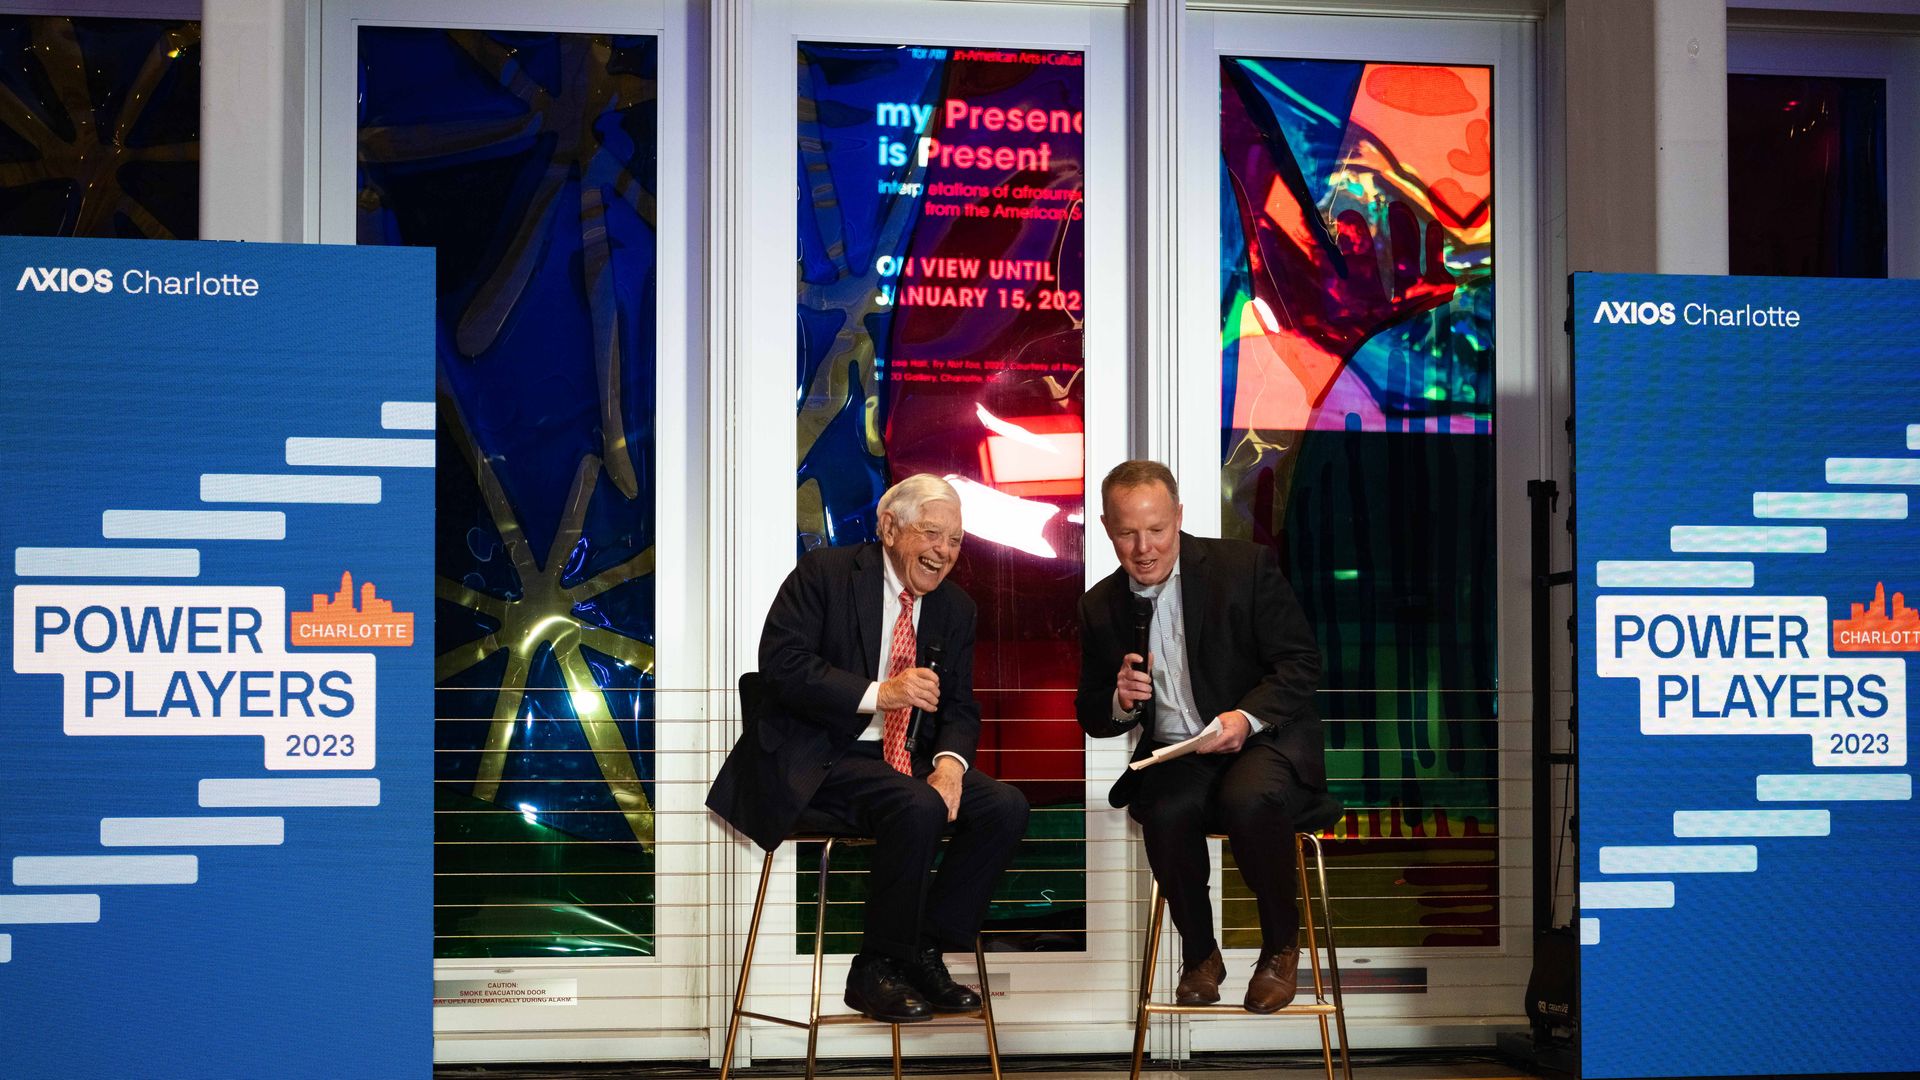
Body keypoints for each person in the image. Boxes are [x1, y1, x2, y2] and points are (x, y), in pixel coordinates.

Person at [708, 473, 1030, 1023]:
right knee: (916, 803)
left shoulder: (955, 608)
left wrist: (951, 766)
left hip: (906, 761)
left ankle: (925, 949)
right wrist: (879, 693)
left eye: (955, 541)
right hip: (818, 757)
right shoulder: (825, 574)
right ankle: (874, 968)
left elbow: (959, 708)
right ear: (889, 527)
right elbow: (781, 665)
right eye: (932, 534)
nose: (944, 552)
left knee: (1003, 806)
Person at [1076, 460, 1326, 1012]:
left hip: (1263, 739)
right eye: (1126, 533)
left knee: (1248, 797)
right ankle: (1200, 954)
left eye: (1157, 529)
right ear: (1105, 527)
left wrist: (1246, 718)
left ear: (1179, 517)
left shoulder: (1244, 567)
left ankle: (1281, 946)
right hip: (1180, 750)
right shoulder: (1101, 604)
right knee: (1163, 810)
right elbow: (1091, 714)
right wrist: (1118, 700)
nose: (1144, 547)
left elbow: (1300, 663)